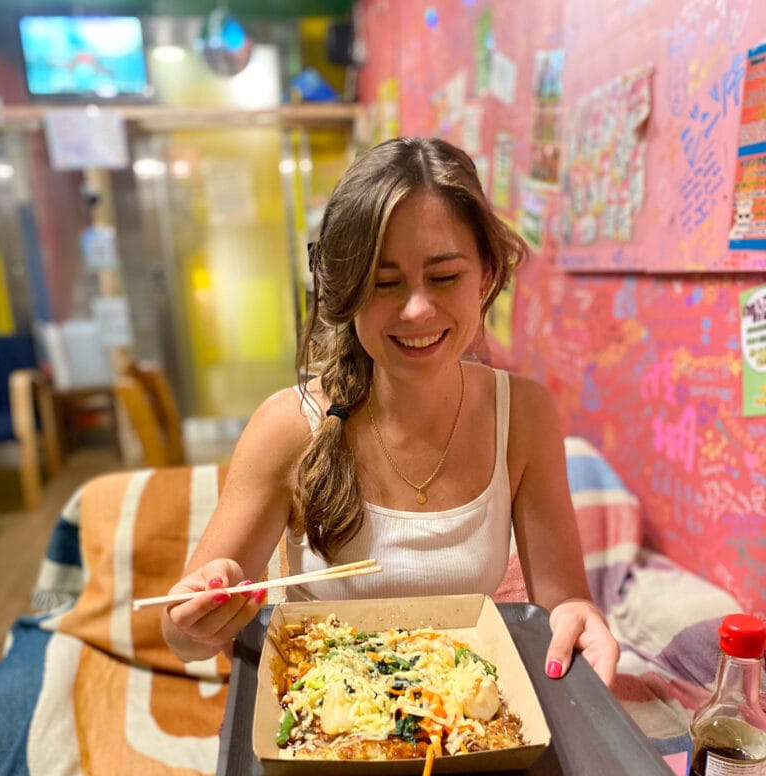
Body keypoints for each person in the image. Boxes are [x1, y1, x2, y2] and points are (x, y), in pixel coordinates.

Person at [162, 136, 619, 686]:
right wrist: (198, 621)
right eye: (384, 283)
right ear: (347, 292)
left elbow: (560, 603)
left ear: (487, 274)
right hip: (325, 727)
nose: (418, 309)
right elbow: (181, 635)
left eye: (445, 277)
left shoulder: (523, 414)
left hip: (461, 721)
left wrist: (578, 617)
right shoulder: (290, 427)